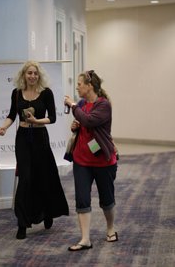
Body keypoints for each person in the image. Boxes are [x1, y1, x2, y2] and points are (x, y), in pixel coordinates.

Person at [0, 60, 69, 240]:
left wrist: (37, 121)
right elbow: (11, 115)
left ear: (39, 75)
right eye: (29, 73)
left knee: (44, 176)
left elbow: (52, 118)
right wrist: (4, 127)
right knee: (25, 179)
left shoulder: (46, 93)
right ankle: (22, 223)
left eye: (35, 73)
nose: (32, 76)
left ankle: (47, 212)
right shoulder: (16, 93)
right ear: (24, 75)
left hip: (40, 138)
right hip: (22, 139)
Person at [64, 70, 118, 251]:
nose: (77, 87)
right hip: (81, 160)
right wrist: (74, 127)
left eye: (79, 84)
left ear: (89, 86)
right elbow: (82, 124)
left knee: (107, 199)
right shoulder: (81, 104)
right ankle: (85, 239)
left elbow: (88, 121)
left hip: (103, 161)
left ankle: (110, 228)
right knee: (82, 199)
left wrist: (72, 106)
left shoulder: (104, 105)